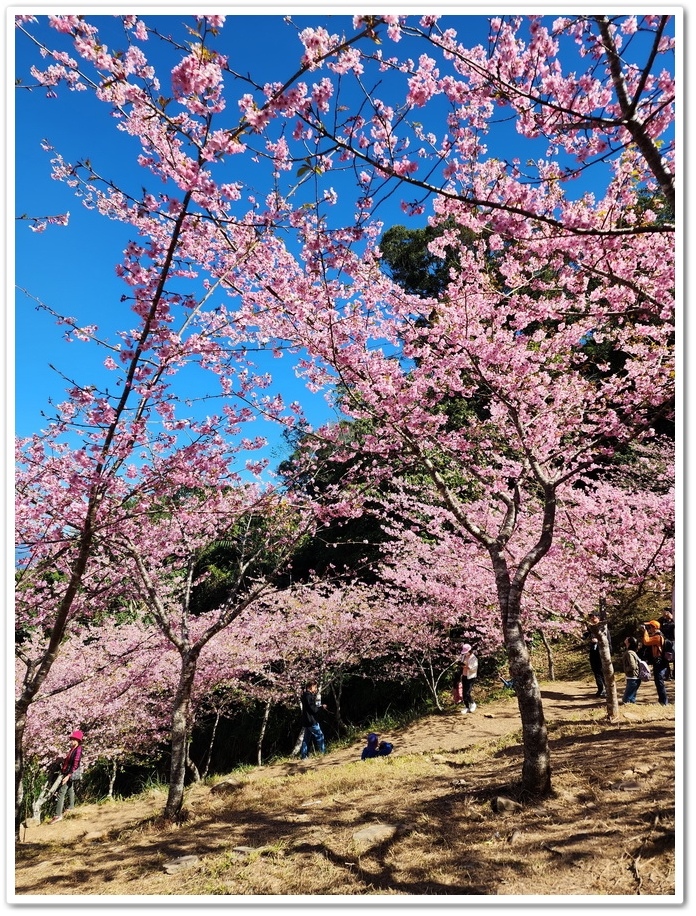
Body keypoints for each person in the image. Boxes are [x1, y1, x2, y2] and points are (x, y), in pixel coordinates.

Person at [50, 729, 83, 823]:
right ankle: (71, 807)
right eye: (71, 739)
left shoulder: (78, 750)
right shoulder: (73, 749)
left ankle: (58, 815)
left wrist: (68, 775)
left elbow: (75, 764)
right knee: (70, 789)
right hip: (67, 772)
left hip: (70, 773)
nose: (72, 741)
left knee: (61, 792)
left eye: (74, 739)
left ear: (78, 740)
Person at [641, 620, 669, 706]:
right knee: (658, 681)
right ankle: (662, 701)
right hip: (659, 661)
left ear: (654, 628)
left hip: (660, 662)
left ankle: (664, 702)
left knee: (659, 681)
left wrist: (644, 631)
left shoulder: (658, 637)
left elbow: (646, 641)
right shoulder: (657, 636)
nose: (648, 629)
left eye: (649, 627)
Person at [299, 680, 327, 759]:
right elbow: (313, 709)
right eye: (315, 687)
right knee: (320, 735)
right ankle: (323, 753)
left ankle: (303, 756)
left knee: (306, 739)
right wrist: (321, 707)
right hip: (311, 720)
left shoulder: (304, 695)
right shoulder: (308, 696)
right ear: (310, 687)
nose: (316, 689)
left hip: (306, 721)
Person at [584, 613, 607, 698]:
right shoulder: (590, 628)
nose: (592, 619)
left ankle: (606, 689)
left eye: (594, 617)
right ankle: (600, 689)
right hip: (593, 651)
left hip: (601, 651)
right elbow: (584, 637)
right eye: (591, 618)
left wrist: (598, 640)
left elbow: (607, 639)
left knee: (602, 671)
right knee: (596, 670)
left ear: (598, 618)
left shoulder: (603, 627)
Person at [621, 636, 642, 704]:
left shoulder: (629, 653)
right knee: (632, 697)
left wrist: (626, 669)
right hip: (635, 678)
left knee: (626, 699)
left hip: (633, 678)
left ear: (629, 643)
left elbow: (633, 666)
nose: (626, 638)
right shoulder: (632, 652)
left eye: (627, 638)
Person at [458, 644, 478, 714]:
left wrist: (466, 666)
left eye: (466, 652)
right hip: (464, 676)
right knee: (464, 693)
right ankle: (466, 707)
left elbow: (473, 668)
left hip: (471, 677)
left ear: (470, 651)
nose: (465, 654)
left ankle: (473, 703)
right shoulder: (463, 657)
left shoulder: (474, 658)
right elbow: (462, 663)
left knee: (467, 692)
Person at [658, 609, 675, 679]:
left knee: (675, 658)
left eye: (666, 612)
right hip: (665, 641)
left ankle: (675, 674)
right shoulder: (662, 621)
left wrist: (672, 618)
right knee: (666, 658)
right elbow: (657, 623)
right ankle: (667, 674)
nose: (665, 614)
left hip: (673, 640)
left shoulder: (674, 621)